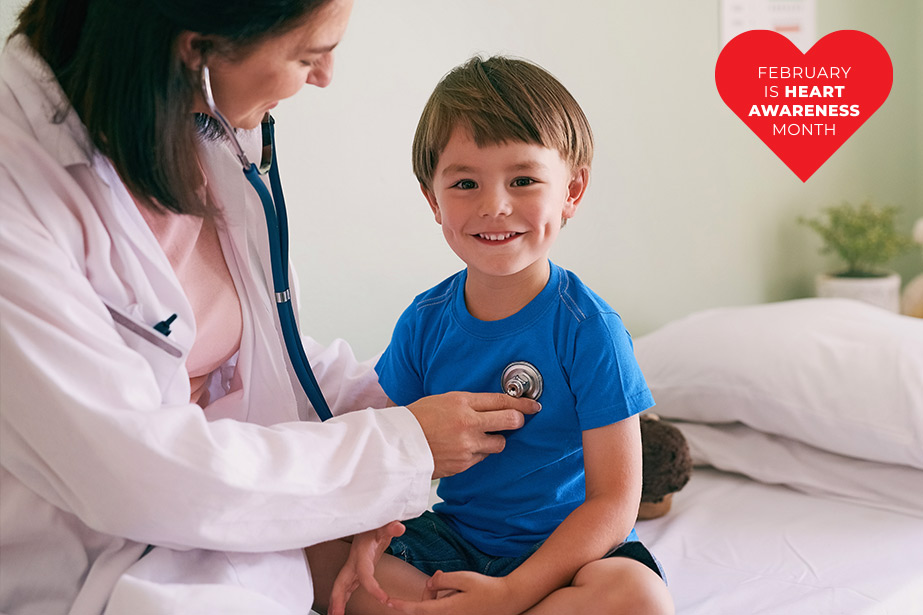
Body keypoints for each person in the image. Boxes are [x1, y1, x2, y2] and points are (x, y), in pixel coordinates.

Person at [0, 2, 541, 613]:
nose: (326, 76)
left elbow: (267, 352)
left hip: (234, 545)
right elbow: (138, 472)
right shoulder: (15, 191)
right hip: (89, 565)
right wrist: (405, 444)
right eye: (307, 55)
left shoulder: (196, 133)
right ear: (194, 46)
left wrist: (408, 402)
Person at [308, 56, 675, 615]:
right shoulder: (425, 321)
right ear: (433, 201)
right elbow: (385, 447)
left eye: (523, 180)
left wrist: (513, 593)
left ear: (572, 190)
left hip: (566, 555)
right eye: (465, 183)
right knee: (313, 551)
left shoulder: (590, 330)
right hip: (453, 541)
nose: (494, 205)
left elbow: (615, 502)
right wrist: (370, 531)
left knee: (640, 599)